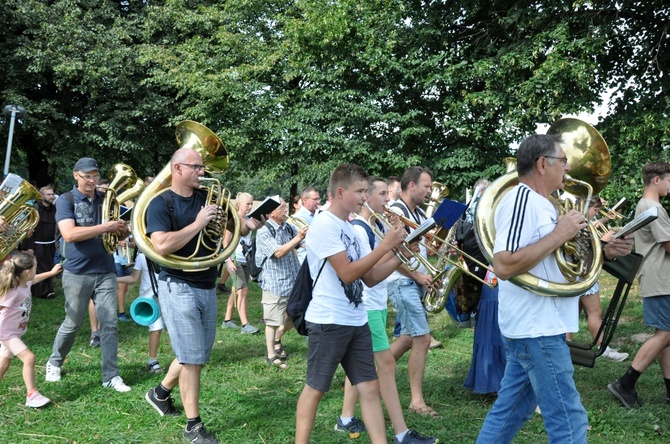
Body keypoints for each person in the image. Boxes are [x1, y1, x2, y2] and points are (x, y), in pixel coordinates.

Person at [476, 134, 633, 443]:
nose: (568, 166)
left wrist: (604, 251)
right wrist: (561, 233)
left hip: (538, 327)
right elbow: (504, 265)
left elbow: (553, 262)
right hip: (536, 329)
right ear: (542, 164)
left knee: (511, 412)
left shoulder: (543, 203)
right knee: (569, 422)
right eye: (563, 160)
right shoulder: (522, 199)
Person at [143, 147, 264, 444]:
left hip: (206, 283)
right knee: (193, 357)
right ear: (177, 168)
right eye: (196, 167)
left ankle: (159, 394)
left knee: (195, 352)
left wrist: (251, 225)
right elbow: (160, 246)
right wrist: (197, 224)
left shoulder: (207, 200)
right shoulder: (160, 204)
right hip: (177, 283)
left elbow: (236, 231)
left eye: (202, 167)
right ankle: (193, 426)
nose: (202, 172)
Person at [295, 164, 407, 444]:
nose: (364, 197)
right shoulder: (323, 224)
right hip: (329, 320)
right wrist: (385, 246)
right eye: (359, 191)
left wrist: (400, 254)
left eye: (365, 191)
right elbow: (347, 274)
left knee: (369, 386)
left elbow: (369, 278)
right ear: (340, 192)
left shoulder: (352, 229)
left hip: (357, 319)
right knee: (316, 388)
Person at [337, 176, 437, 444]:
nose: (387, 200)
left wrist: (402, 246)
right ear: (366, 197)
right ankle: (402, 433)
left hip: (375, 305)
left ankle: (346, 418)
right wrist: (398, 247)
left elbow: (382, 260)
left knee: (360, 366)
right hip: (368, 306)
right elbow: (368, 269)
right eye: (382, 194)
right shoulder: (359, 228)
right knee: (386, 365)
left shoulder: (372, 226)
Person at [45, 157, 132, 392]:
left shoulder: (106, 199)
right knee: (73, 323)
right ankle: (54, 362)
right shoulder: (66, 200)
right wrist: (106, 227)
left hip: (105, 270)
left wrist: (122, 230)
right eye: (87, 176)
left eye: (95, 175)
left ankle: (111, 376)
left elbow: (119, 237)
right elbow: (70, 234)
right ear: (76, 176)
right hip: (77, 271)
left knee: (110, 324)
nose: (92, 180)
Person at [608, 161, 670, 408]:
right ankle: (625, 383)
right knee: (665, 334)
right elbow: (668, 244)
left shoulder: (651, 206)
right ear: (657, 180)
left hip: (660, 278)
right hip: (660, 279)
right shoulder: (651, 206)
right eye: (669, 179)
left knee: (665, 334)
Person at [387, 166, 438, 417]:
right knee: (423, 339)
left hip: (413, 281)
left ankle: (370, 376)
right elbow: (392, 252)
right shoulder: (396, 211)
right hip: (402, 281)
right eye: (427, 186)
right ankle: (416, 401)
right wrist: (417, 275)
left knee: (408, 338)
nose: (430, 191)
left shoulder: (417, 213)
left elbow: (419, 249)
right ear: (411, 186)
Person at [566, 196, 628, 362]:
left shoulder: (574, 221)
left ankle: (566, 344)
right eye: (594, 210)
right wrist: (602, 241)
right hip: (584, 274)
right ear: (586, 207)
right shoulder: (580, 224)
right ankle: (603, 348)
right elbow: (584, 249)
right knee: (595, 313)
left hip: (576, 275)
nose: (595, 214)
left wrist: (607, 218)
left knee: (572, 313)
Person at [461, 179, 507, 395]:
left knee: (495, 328)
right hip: (492, 273)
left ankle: (494, 380)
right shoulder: (480, 216)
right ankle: (494, 381)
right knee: (493, 328)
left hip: (495, 273)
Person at [0, 252, 62, 408]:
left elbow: (35, 279)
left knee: (4, 363)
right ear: (27, 271)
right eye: (35, 267)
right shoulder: (12, 291)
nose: (36, 270)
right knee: (29, 358)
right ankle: (32, 394)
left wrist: (52, 273)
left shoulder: (25, 283)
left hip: (15, 332)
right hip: (7, 333)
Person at [255, 198, 306, 368]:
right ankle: (271, 355)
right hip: (275, 282)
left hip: (293, 279)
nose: (286, 210)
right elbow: (278, 252)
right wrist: (298, 237)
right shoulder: (264, 231)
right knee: (272, 321)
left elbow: (303, 244)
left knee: (297, 313)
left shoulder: (288, 227)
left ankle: (277, 338)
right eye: (282, 208)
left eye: (285, 207)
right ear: (271, 213)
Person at [116, 251, 166, 373]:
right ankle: (152, 361)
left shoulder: (168, 253)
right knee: (157, 328)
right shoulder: (142, 257)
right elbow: (133, 278)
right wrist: (114, 278)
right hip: (149, 298)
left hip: (166, 294)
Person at [221, 192, 260, 334]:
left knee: (236, 290)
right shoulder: (234, 219)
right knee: (243, 290)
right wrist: (229, 260)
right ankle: (245, 325)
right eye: (247, 203)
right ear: (239, 204)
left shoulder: (248, 219)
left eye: (251, 203)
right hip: (235, 260)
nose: (250, 206)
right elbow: (225, 242)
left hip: (245, 260)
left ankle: (227, 320)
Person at [21, 185, 58, 300]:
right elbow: (29, 229)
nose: (51, 196)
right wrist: (29, 246)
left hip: (50, 243)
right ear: (42, 196)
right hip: (37, 243)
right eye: (49, 194)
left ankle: (48, 289)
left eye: (52, 194)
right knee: (39, 267)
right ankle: (42, 291)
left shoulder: (54, 209)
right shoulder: (35, 209)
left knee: (49, 266)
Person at [294, 186, 321, 263]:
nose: (318, 202)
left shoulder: (320, 214)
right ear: (305, 200)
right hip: (307, 261)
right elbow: (306, 244)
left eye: (318, 199)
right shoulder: (297, 218)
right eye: (315, 199)